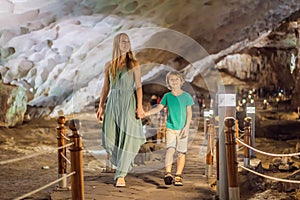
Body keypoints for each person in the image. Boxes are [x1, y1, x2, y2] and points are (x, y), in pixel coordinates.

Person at [96, 33, 146, 187]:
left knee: (127, 137)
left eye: (128, 41)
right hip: (113, 102)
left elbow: (138, 87)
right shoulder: (109, 65)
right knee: (109, 137)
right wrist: (101, 106)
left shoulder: (134, 64)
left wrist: (139, 106)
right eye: (123, 41)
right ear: (117, 44)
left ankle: (121, 175)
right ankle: (124, 163)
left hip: (128, 102)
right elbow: (106, 88)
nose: (126, 44)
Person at [143, 71, 194, 186]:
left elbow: (189, 113)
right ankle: (168, 173)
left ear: (181, 81)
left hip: (183, 129)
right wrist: (146, 114)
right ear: (168, 83)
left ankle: (178, 176)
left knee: (181, 152)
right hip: (170, 127)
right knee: (170, 150)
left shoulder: (187, 96)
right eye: (172, 80)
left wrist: (187, 127)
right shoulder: (167, 96)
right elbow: (158, 108)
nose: (174, 82)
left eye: (176, 79)